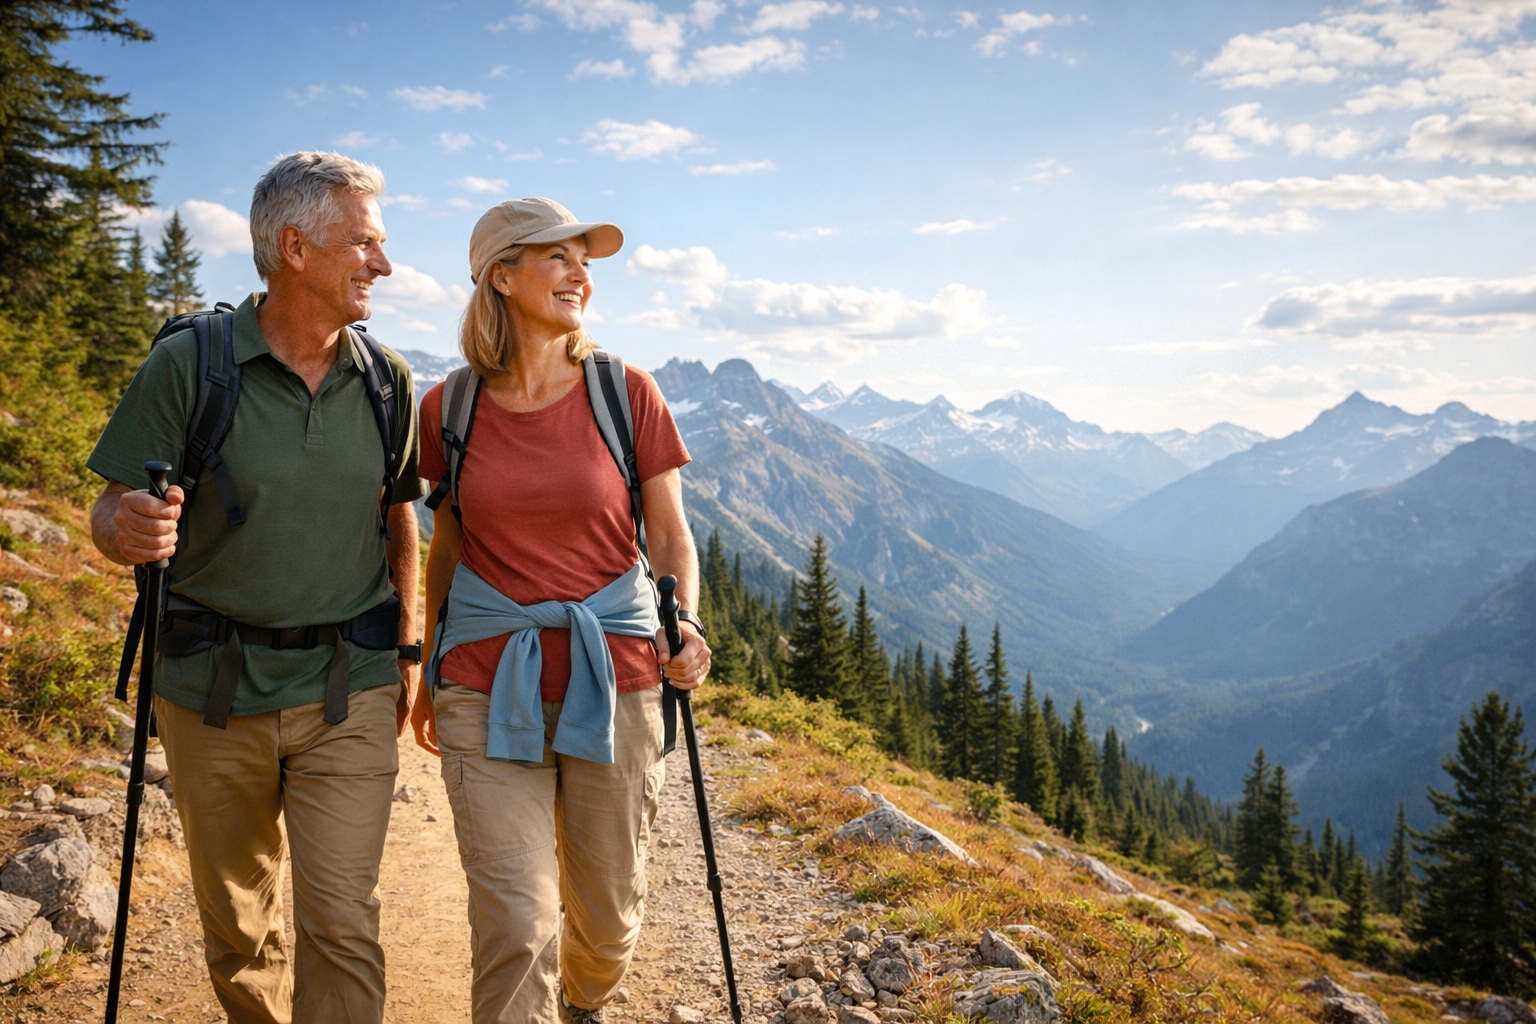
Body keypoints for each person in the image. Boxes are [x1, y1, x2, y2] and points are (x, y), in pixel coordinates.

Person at [88, 151, 424, 1024]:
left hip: (346, 687)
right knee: (239, 929)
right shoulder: (192, 364)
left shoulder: (389, 382)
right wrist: (122, 525)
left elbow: (399, 521)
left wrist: (410, 648)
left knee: (343, 918)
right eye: (366, 244)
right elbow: (110, 504)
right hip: (209, 691)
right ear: (295, 248)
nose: (383, 265)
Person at [410, 197, 712, 1024]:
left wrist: (684, 623)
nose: (581, 272)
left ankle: (583, 1007)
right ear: (500, 277)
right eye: (558, 256)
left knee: (606, 920)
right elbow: (449, 547)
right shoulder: (450, 407)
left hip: (617, 677)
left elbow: (670, 533)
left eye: (586, 259)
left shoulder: (627, 394)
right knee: (518, 918)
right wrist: (430, 668)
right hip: (482, 676)